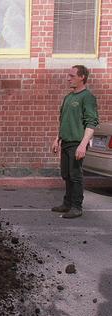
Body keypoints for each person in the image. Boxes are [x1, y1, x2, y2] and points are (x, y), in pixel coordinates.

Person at [51, 65, 99, 218]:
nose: (68, 78)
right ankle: (67, 203)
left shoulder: (87, 97)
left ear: (82, 77)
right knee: (66, 174)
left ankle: (76, 207)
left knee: (75, 175)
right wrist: (57, 139)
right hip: (65, 142)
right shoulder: (68, 97)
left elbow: (91, 123)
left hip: (77, 143)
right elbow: (63, 120)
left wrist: (83, 145)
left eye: (72, 75)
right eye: (68, 75)